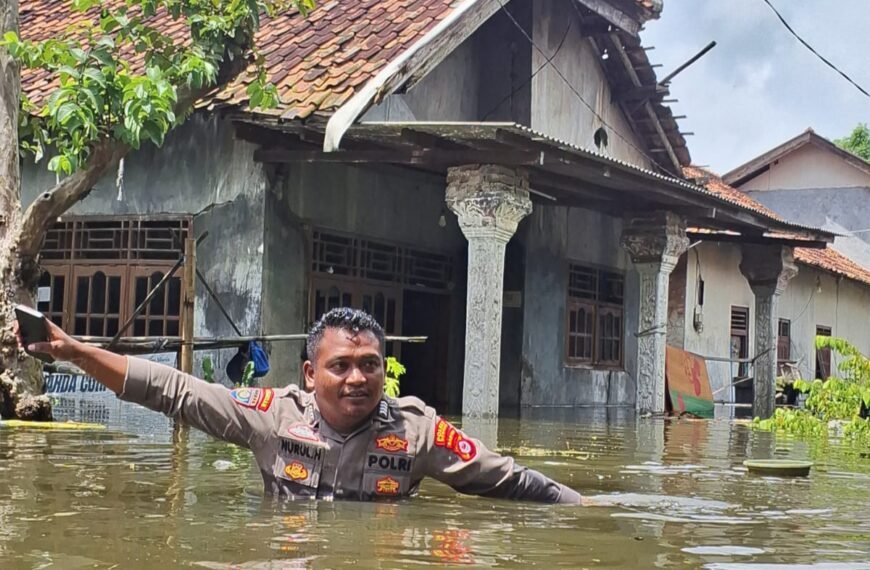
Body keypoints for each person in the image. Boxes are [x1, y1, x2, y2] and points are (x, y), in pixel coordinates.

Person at [19, 307, 587, 504]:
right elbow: (175, 390)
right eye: (341, 366)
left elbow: (506, 479)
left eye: (370, 364)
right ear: (311, 374)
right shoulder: (272, 414)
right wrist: (76, 351)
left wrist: (587, 508)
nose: (358, 378)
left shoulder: (417, 431)